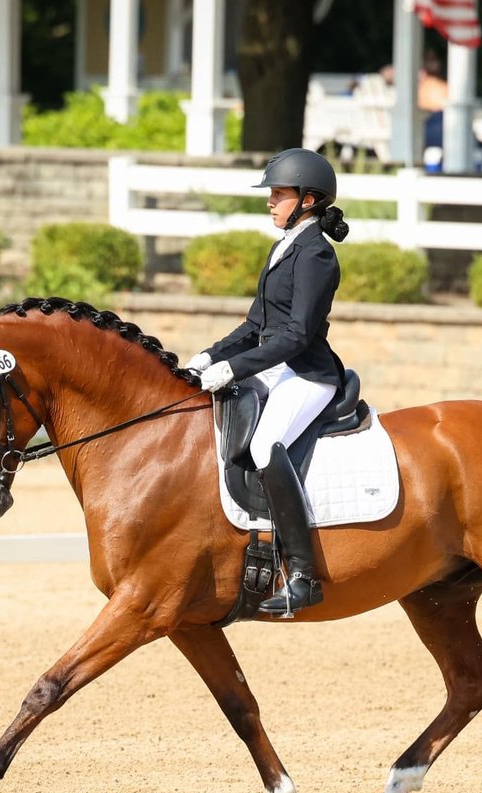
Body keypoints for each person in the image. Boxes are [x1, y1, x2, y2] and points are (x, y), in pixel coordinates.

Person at [185, 148, 350, 615]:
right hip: (276, 366)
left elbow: (297, 335)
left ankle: (302, 574)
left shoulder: (316, 254)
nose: (270, 201)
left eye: (278, 194)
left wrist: (236, 369)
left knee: (264, 446)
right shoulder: (285, 246)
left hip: (307, 373)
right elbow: (255, 324)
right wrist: (209, 356)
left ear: (309, 200)